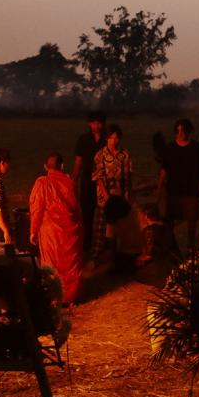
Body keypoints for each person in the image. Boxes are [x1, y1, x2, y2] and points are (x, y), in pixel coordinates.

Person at [29, 152, 84, 303]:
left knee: (52, 264)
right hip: (69, 229)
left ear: (46, 167)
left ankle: (54, 297)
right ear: (62, 166)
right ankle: (71, 296)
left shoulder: (42, 183)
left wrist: (33, 231)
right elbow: (76, 208)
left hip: (50, 231)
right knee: (70, 264)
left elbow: (37, 209)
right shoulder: (70, 183)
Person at [157, 118, 199, 256]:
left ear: (189, 131)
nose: (180, 133)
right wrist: (159, 187)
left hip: (191, 190)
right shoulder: (170, 148)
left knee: (192, 220)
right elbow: (164, 169)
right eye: (177, 130)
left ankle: (190, 244)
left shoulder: (196, 148)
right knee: (169, 219)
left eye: (183, 129)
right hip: (173, 190)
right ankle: (170, 245)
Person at [91, 125, 133, 260]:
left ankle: (118, 255)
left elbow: (127, 177)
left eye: (116, 138)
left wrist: (126, 194)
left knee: (118, 225)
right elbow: (99, 178)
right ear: (106, 139)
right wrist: (107, 197)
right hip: (104, 194)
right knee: (101, 225)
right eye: (111, 138)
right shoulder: (100, 155)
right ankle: (97, 255)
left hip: (119, 192)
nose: (113, 141)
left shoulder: (124, 154)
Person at [72, 111, 106, 251]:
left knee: (103, 213)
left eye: (98, 123)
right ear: (89, 124)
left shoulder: (106, 140)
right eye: (93, 123)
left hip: (103, 181)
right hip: (87, 180)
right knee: (86, 212)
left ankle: (102, 243)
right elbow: (78, 161)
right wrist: (74, 178)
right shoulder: (83, 139)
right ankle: (86, 243)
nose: (96, 125)